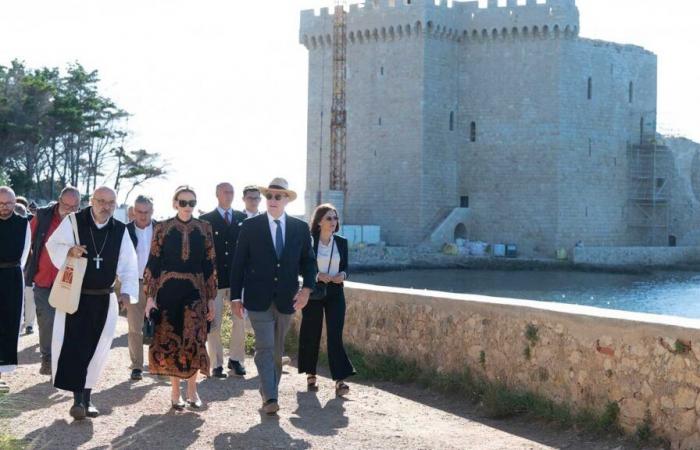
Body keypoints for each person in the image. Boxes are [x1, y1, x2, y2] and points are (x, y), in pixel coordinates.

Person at [46, 186, 138, 420]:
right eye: (101, 201)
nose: (105, 206)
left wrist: (127, 291)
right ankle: (78, 400)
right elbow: (52, 246)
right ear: (91, 201)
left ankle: (87, 399)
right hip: (76, 297)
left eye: (111, 202)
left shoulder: (119, 230)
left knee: (97, 350)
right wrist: (70, 251)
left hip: (104, 298)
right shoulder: (74, 221)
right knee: (75, 347)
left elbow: (129, 263)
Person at [230, 177, 316, 415]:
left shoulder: (300, 229)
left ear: (286, 199)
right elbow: (238, 264)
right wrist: (235, 297)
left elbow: (309, 263)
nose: (272, 200)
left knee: (277, 352)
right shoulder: (250, 227)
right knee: (265, 347)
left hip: (287, 299)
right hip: (258, 300)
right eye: (269, 196)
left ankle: (269, 392)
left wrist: (306, 290)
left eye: (278, 196)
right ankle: (270, 397)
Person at [144, 186, 216, 410]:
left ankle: (193, 391)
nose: (187, 207)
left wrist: (211, 298)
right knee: (171, 340)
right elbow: (153, 262)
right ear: (175, 203)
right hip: (167, 292)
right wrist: (149, 297)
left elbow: (210, 265)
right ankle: (175, 392)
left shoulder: (205, 228)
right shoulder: (162, 228)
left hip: (195, 292)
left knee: (194, 340)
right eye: (183, 202)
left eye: (191, 203)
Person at [298, 204, 355, 396]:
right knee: (311, 332)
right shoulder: (309, 241)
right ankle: (311, 373)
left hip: (336, 292)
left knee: (335, 334)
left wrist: (343, 275)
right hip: (314, 292)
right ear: (319, 221)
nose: (333, 222)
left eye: (335, 218)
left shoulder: (341, 242)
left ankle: (340, 380)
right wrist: (316, 276)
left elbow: (346, 267)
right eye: (329, 218)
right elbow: (301, 267)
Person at [26, 186, 81, 375]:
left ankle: (64, 358)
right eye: (66, 205)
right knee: (47, 320)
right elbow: (27, 241)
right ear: (59, 200)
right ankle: (47, 358)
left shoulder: (80, 221)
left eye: (75, 207)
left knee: (68, 322)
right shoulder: (42, 217)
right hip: (44, 278)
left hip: (69, 281)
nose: (70, 210)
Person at [200, 183, 246, 378]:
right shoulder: (205, 220)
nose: (229, 195)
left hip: (237, 279)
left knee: (240, 320)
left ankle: (236, 360)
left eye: (232, 192)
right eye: (225, 192)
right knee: (214, 322)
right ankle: (216, 363)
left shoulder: (243, 219)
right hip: (215, 280)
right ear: (217, 194)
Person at [0, 187, 32, 393]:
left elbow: (24, 254)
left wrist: (12, 272)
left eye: (8, 203)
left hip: (12, 276)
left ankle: (1, 372)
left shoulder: (23, 224)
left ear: (14, 203)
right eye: (1, 204)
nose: (4, 208)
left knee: (9, 323)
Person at [125, 195, 157, 381]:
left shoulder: (161, 229)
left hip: (158, 285)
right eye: (139, 212)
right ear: (133, 211)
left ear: (152, 211)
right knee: (134, 327)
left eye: (146, 212)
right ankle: (137, 366)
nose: (143, 216)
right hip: (134, 285)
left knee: (160, 326)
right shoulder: (125, 231)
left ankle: (158, 364)